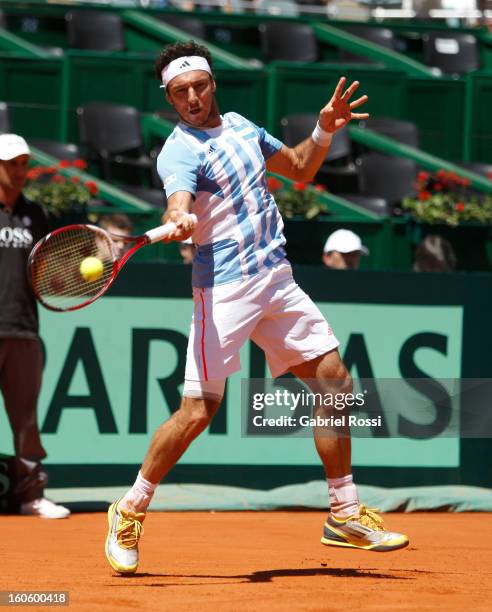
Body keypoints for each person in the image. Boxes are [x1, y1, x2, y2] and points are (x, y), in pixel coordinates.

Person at [105, 41, 409, 574]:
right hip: (222, 291)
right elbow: (178, 198)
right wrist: (179, 215)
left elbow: (297, 169)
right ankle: (129, 509)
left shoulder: (244, 126)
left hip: (277, 280)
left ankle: (343, 511)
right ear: (170, 99)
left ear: (212, 82)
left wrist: (324, 131)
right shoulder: (177, 151)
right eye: (180, 93)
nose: (193, 98)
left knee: (335, 380)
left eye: (198, 86)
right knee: (198, 411)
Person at [0, 134, 70, 519]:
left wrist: (61, 279)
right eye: (11, 163)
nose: (19, 170)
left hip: (24, 330)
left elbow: (44, 274)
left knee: (26, 422)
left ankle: (30, 496)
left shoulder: (36, 215)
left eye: (23, 163)